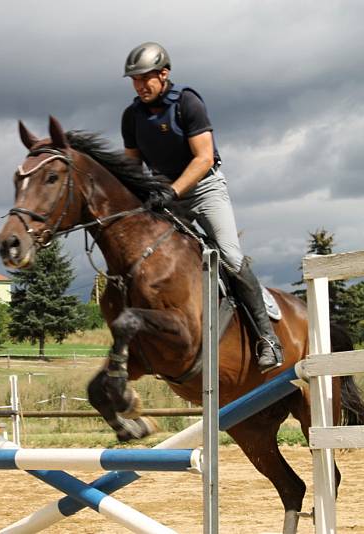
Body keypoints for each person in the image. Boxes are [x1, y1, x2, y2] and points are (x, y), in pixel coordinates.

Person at [120, 41, 282, 373]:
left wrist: (173, 191)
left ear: (164, 74)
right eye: (134, 80)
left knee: (231, 256)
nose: (139, 85)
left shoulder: (187, 103)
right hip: (165, 193)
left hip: (204, 188)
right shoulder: (131, 116)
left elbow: (204, 157)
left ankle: (268, 339)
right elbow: (132, 167)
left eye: (145, 78)